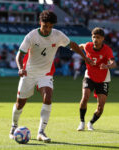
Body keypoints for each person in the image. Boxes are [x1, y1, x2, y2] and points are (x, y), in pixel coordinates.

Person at [9, 10, 93, 142]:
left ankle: (41, 132)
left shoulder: (57, 35)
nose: (47, 29)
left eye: (50, 26)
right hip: (29, 72)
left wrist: (85, 58)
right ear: (40, 23)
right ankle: (14, 127)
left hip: (46, 73)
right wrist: (20, 69)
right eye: (44, 26)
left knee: (48, 98)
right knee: (20, 103)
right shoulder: (31, 36)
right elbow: (20, 55)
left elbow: (73, 45)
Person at [77, 27, 116, 131]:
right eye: (94, 37)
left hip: (103, 78)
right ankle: (82, 122)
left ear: (102, 38)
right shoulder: (88, 46)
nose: (95, 39)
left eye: (98, 37)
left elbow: (113, 63)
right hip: (89, 76)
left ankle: (91, 123)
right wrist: (76, 48)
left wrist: (107, 66)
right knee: (85, 97)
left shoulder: (107, 50)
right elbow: (81, 46)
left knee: (101, 107)